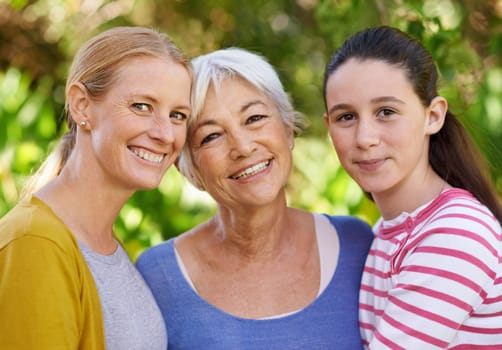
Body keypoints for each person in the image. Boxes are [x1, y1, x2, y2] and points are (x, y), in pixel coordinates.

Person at [136, 47, 374, 349]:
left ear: (288, 130)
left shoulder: (358, 245)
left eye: (254, 118)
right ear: (189, 170)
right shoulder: (157, 276)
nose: (243, 147)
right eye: (211, 136)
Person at [0, 26, 192, 349]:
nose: (165, 133)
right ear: (81, 106)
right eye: (142, 106)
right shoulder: (35, 244)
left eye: (177, 115)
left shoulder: (108, 248)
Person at [323, 25, 502, 349]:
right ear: (329, 127)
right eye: (346, 117)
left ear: (433, 116)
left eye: (386, 112)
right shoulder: (387, 231)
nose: (365, 138)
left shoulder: (456, 232)